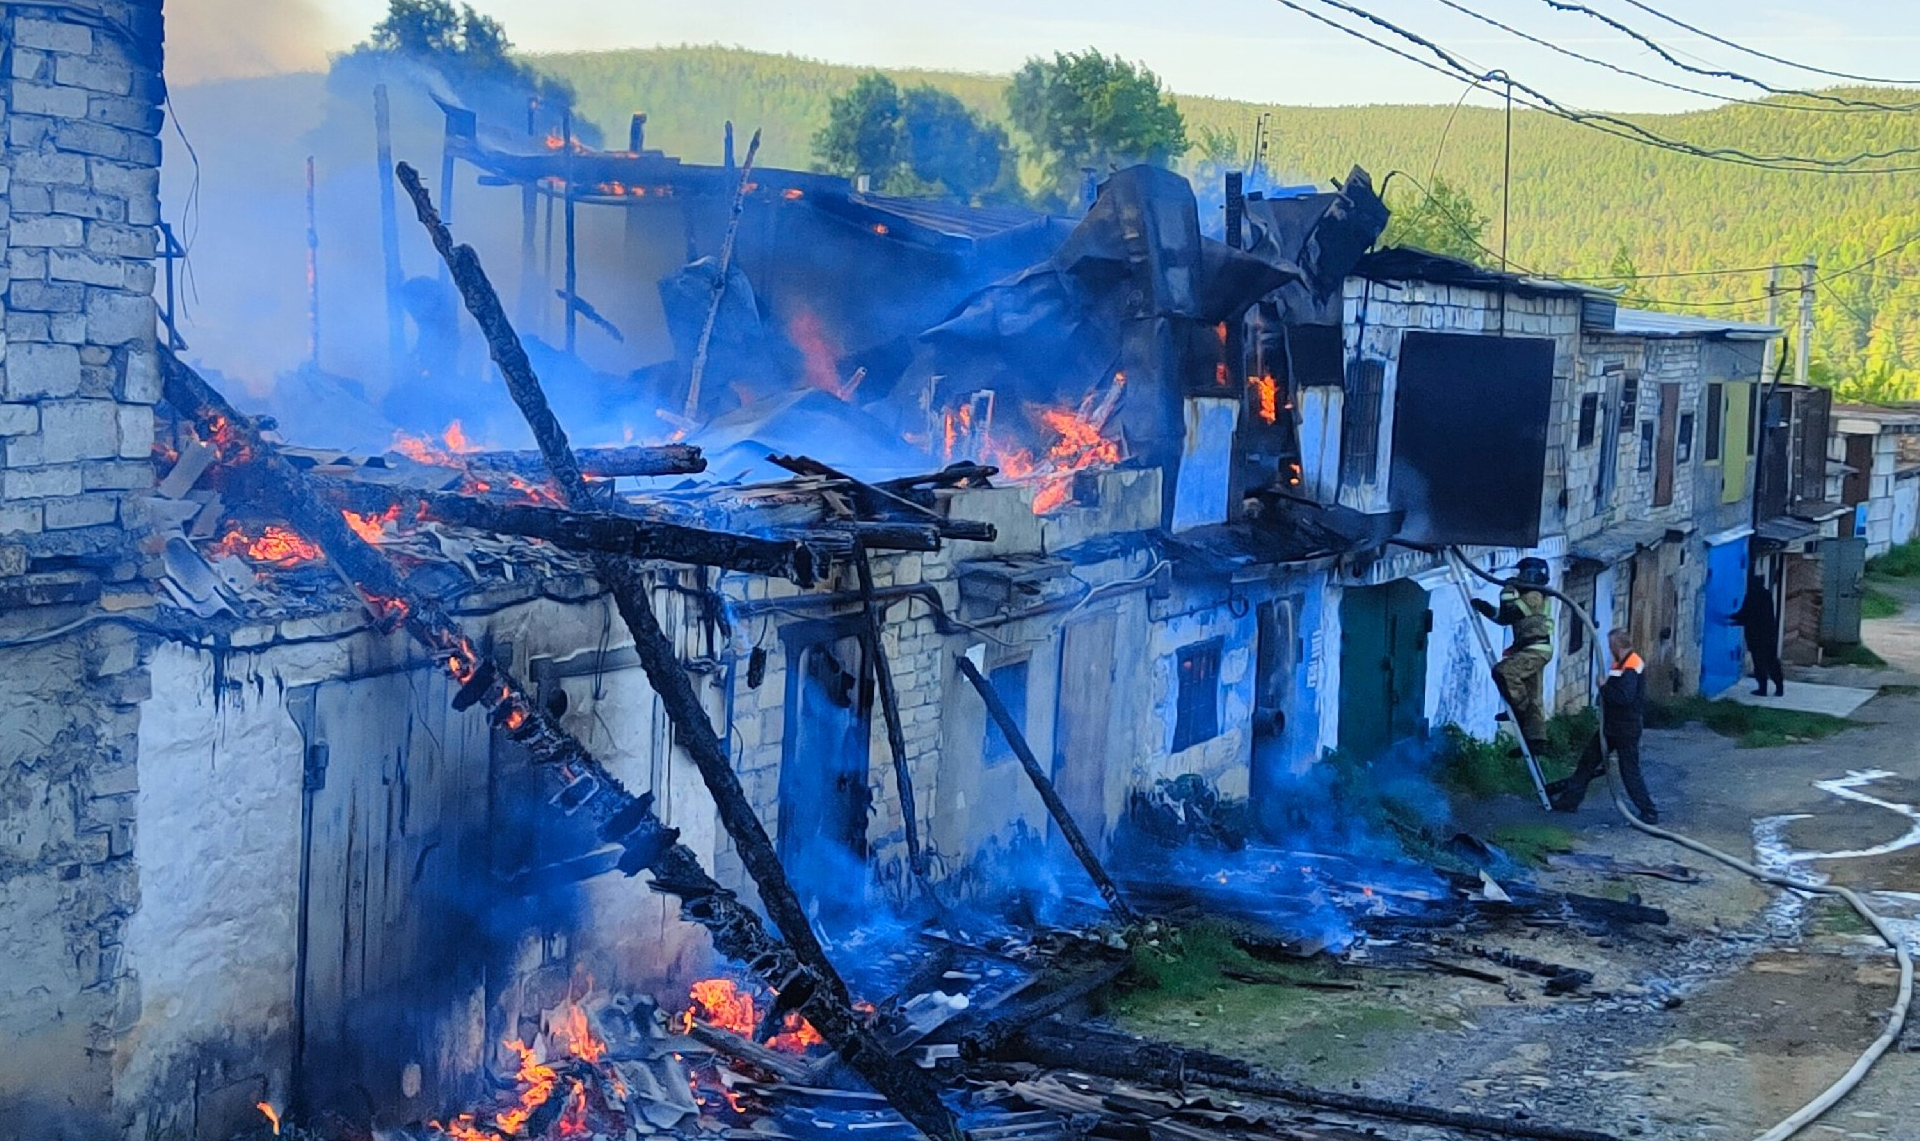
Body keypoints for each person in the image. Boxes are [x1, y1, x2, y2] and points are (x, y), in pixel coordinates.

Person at [1548, 629, 1658, 822]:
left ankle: (1649, 811)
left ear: (1617, 645)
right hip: (1612, 727)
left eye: (1610, 645)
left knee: (1629, 771)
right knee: (1587, 762)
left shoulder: (1632, 665)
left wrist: (1604, 687)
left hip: (1625, 728)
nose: (1608, 649)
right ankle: (1570, 801)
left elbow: (1624, 697)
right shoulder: (1621, 663)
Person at [1471, 557, 1555, 758]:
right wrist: (1485, 608)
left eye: (1520, 573)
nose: (1517, 577)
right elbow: (1504, 617)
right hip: (1530, 647)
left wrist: (1508, 588)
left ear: (1529, 573)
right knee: (1534, 696)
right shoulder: (1532, 594)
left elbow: (1511, 612)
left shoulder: (1534, 595)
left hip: (1535, 648)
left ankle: (1520, 712)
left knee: (1504, 671)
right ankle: (1536, 741)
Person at [1730, 575, 1785, 697]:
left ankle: (1763, 688)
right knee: (1772, 662)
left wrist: (1732, 618)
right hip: (1769, 635)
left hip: (1756, 637)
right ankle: (1779, 687)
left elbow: (1746, 614)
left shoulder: (1752, 596)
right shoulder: (1767, 595)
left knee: (1759, 663)